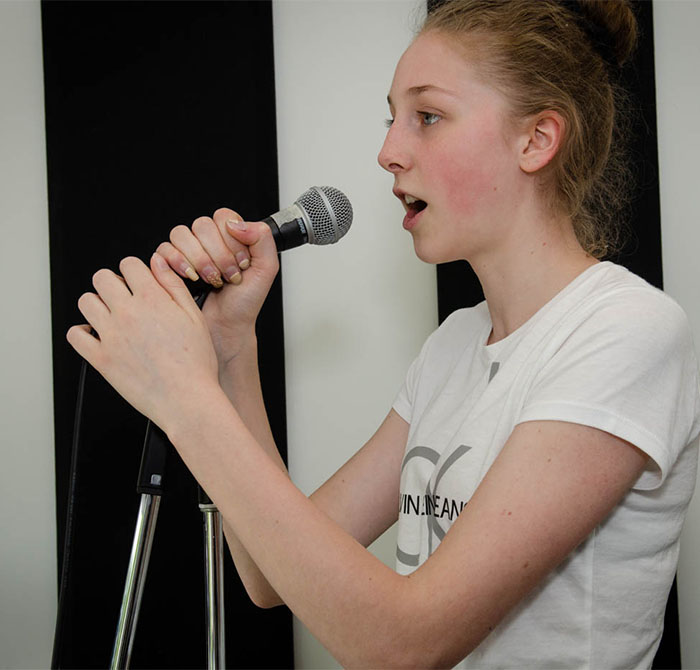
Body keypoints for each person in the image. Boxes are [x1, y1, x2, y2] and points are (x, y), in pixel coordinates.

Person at [67, 0, 700, 667]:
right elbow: (266, 577)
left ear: (536, 140)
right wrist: (229, 348)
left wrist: (183, 397)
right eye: (391, 118)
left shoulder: (626, 330)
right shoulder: (454, 345)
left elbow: (404, 641)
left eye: (427, 116)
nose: (388, 152)